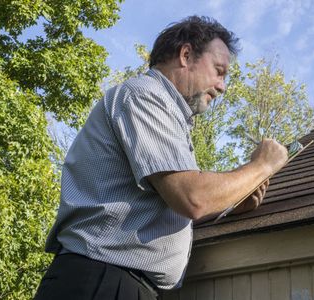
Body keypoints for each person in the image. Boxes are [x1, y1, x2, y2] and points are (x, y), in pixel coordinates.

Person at [34, 16, 288, 300]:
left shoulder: (165, 112)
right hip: (100, 282)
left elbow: (169, 210)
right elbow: (193, 198)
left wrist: (230, 204)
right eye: (219, 71)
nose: (222, 86)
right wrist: (262, 165)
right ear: (186, 55)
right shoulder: (144, 96)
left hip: (113, 281)